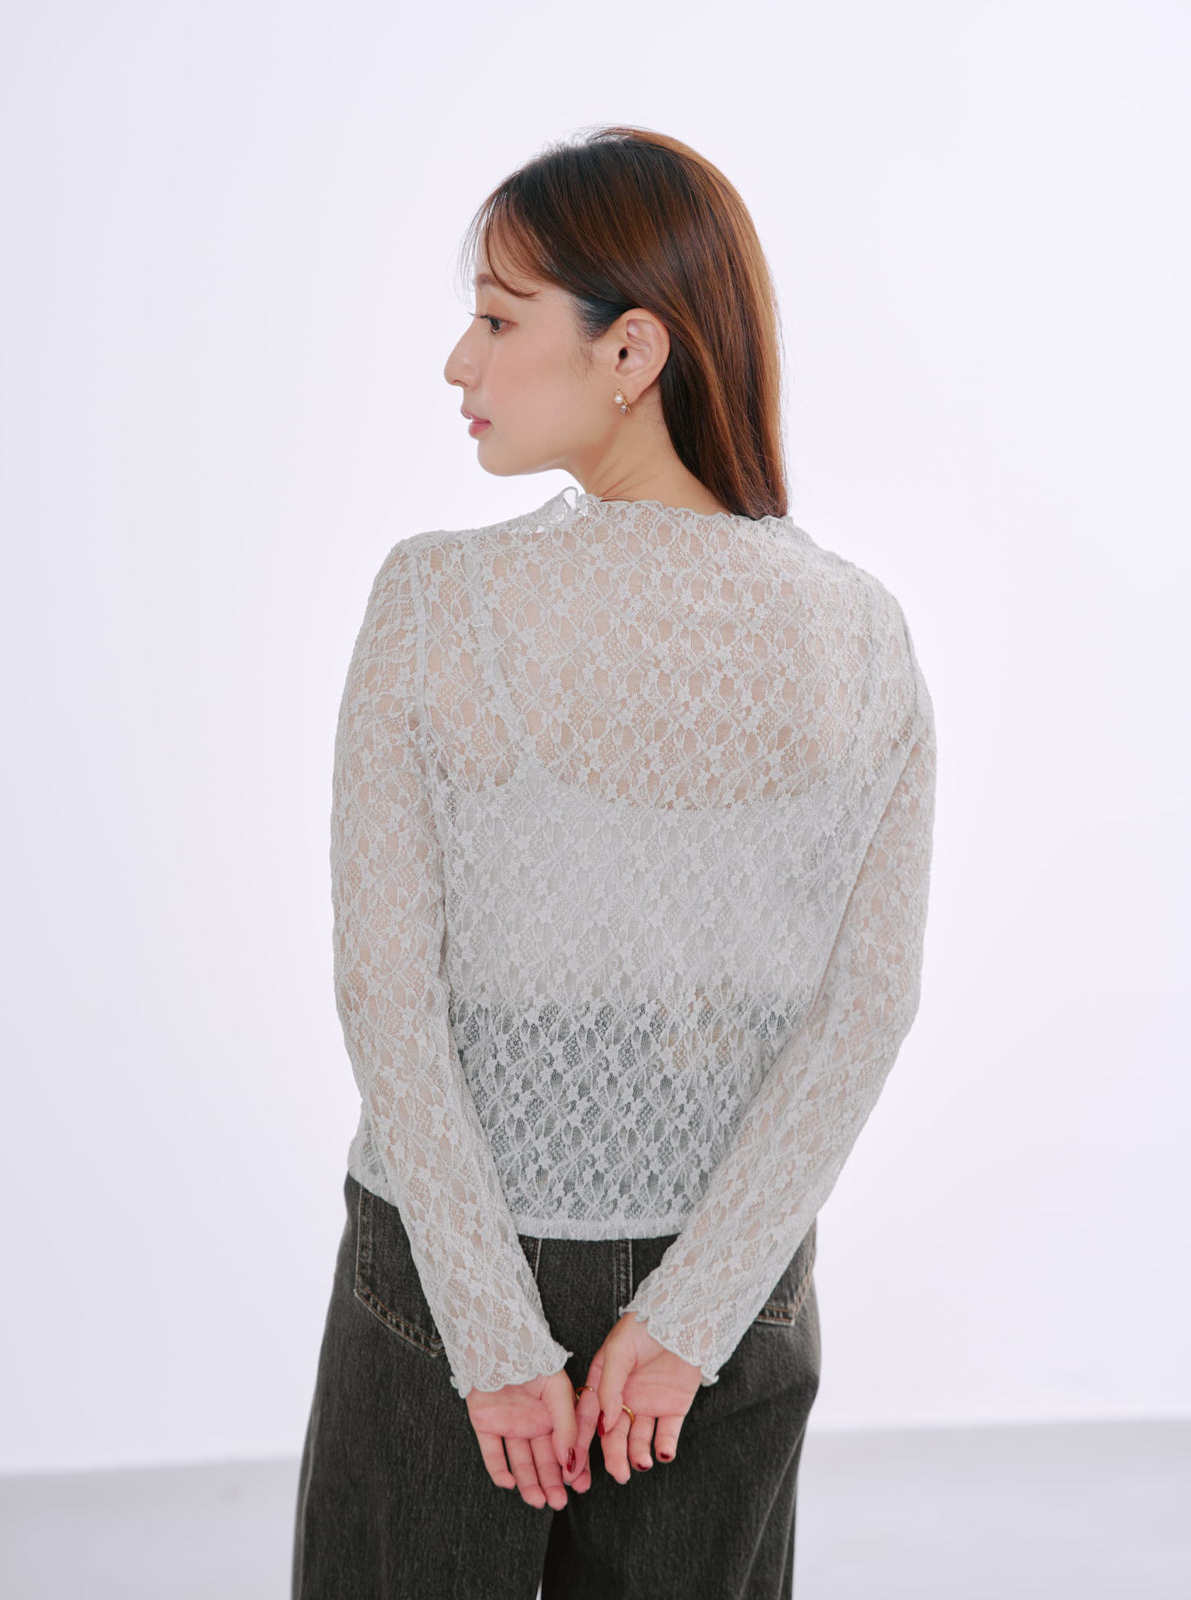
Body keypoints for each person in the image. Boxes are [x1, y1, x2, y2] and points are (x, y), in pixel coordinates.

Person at [292, 124, 937, 1599]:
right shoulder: (862, 633)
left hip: (445, 1264)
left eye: (497, 318)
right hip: (732, 1281)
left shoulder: (437, 600)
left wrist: (490, 1331)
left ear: (632, 350)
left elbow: (387, 992)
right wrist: (694, 1313)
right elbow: (872, 1005)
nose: (458, 362)